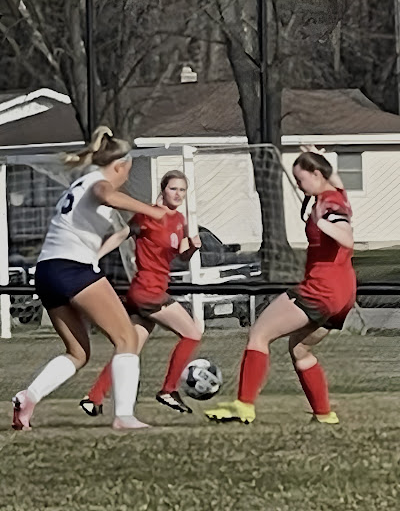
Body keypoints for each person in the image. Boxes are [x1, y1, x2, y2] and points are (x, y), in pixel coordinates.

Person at [11, 126, 167, 431]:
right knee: (127, 338)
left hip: (47, 272)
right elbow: (105, 194)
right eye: (126, 172)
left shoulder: (78, 184)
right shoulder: (97, 183)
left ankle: (28, 397)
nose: (124, 179)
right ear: (119, 166)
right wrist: (152, 210)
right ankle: (124, 416)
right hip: (72, 269)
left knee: (78, 352)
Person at [205, 150, 356, 425]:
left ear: (316, 175)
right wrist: (322, 161)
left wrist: (320, 222)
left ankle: (244, 405)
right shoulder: (336, 192)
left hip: (321, 290)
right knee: (300, 350)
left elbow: (346, 237)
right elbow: (334, 181)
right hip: (344, 295)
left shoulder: (329, 205)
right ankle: (324, 414)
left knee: (259, 335)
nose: (299, 186)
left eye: (301, 180)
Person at [79, 169, 203, 417]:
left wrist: (192, 248)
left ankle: (93, 397)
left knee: (129, 349)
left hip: (150, 290)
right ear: (163, 189)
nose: (178, 194)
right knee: (193, 333)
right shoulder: (147, 216)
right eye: (173, 188)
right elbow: (121, 235)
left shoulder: (179, 220)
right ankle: (169, 389)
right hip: (148, 291)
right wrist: (93, 258)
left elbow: (178, 257)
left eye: (182, 190)